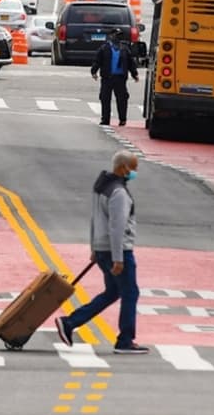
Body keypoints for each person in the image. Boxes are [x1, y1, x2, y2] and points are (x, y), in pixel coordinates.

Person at [55, 150, 148, 355]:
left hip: (102, 248)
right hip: (117, 250)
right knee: (130, 293)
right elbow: (117, 226)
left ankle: (69, 323)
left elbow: (95, 219)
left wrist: (94, 247)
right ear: (123, 168)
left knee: (112, 292)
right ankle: (125, 340)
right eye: (133, 168)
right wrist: (118, 258)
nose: (135, 172)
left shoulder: (102, 187)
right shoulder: (119, 193)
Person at [90, 28, 139, 126]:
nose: (118, 38)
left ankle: (122, 119)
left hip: (120, 78)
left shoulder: (124, 49)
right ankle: (105, 119)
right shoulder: (104, 48)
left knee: (122, 99)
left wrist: (134, 74)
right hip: (107, 78)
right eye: (116, 35)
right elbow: (97, 61)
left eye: (119, 35)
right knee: (105, 98)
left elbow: (130, 63)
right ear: (111, 36)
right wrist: (94, 71)